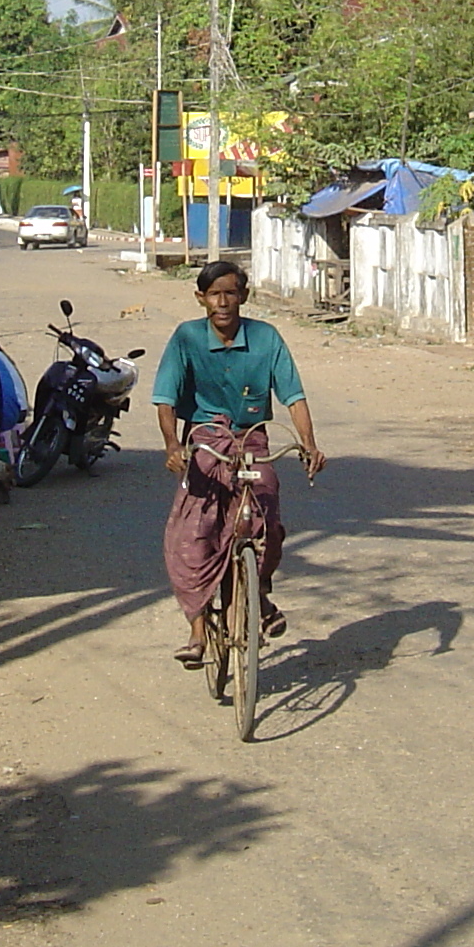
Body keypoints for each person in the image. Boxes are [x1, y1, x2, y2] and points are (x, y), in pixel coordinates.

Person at [153, 261, 325, 667]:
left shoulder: (266, 338)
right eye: (214, 294)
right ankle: (197, 632)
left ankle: (258, 590)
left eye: (231, 293)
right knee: (194, 531)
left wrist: (309, 445)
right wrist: (172, 445)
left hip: (253, 437)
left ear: (244, 297)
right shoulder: (186, 338)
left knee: (266, 515)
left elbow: (293, 397)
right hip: (205, 440)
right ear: (201, 299)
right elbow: (165, 400)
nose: (223, 302)